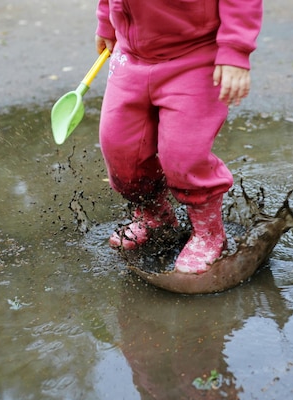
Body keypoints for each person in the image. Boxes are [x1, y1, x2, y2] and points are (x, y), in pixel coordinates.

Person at [95, 0, 262, 274]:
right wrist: (106, 19)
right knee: (121, 151)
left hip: (195, 56)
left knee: (184, 156)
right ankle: (154, 216)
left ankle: (208, 232)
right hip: (131, 56)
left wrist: (235, 50)